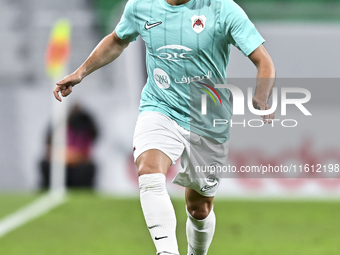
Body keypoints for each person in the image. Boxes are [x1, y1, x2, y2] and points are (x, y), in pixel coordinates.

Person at [53, 0, 275, 254]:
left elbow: (264, 60)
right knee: (149, 172)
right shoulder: (141, 6)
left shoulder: (222, 8)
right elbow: (117, 40)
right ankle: (166, 251)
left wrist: (262, 95)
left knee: (199, 207)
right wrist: (81, 72)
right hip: (160, 107)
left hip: (207, 119)